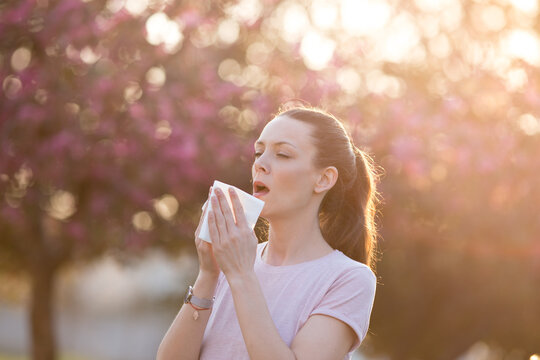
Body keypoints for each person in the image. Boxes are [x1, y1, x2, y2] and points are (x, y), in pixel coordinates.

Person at [157, 106, 382, 360]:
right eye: (258, 152)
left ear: (323, 179)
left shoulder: (348, 279)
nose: (260, 165)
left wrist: (241, 275)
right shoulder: (232, 262)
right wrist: (208, 274)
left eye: (283, 155)